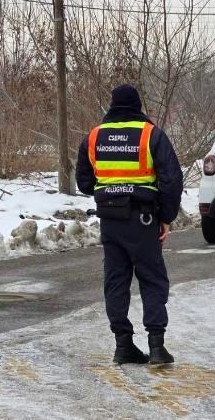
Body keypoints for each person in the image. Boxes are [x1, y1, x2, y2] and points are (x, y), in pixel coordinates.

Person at [76, 84, 184, 365]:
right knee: (152, 279)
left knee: (115, 281)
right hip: (144, 218)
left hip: (110, 221)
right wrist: (166, 217)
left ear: (111, 107)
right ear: (138, 107)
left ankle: (123, 345)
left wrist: (111, 187)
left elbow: (84, 182)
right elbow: (172, 180)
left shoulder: (94, 137)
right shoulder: (151, 135)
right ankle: (157, 346)